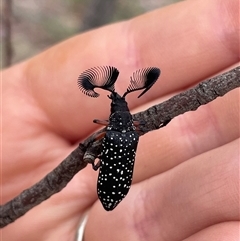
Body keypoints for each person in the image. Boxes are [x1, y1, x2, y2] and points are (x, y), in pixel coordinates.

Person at [2, 0, 239, 240]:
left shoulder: (112, 132)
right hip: (115, 184)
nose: (117, 103)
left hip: (111, 186)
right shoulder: (130, 133)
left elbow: (99, 124)